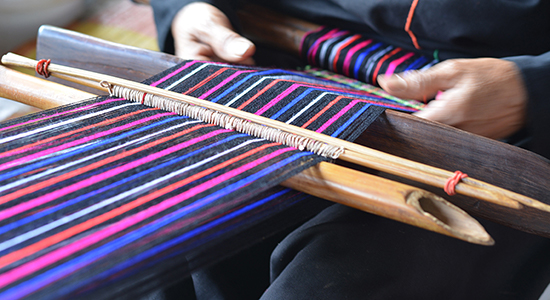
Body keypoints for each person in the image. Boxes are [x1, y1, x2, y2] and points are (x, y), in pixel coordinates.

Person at [149, 1, 550, 299]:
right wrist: (186, 9)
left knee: (326, 281)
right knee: (155, 245)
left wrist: (532, 87)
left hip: (496, 110)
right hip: (266, 60)